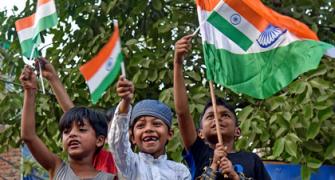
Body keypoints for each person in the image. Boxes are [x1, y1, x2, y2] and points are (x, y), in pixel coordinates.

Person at [173, 35, 271, 179]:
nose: (218, 119)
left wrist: (235, 177)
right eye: (210, 116)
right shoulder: (199, 152)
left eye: (225, 115)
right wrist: (177, 63)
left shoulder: (252, 160)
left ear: (238, 131)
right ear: (200, 133)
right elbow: (182, 113)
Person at [20, 65, 115, 179]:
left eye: (82, 130)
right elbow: (28, 136)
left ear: (99, 140)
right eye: (66, 131)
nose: (72, 134)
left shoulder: (111, 178)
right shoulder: (57, 168)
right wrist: (29, 91)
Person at [108, 76, 192, 180]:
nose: (148, 129)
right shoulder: (131, 164)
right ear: (133, 137)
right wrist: (125, 102)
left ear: (170, 134)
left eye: (156, 124)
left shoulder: (180, 171)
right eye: (141, 125)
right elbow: (117, 143)